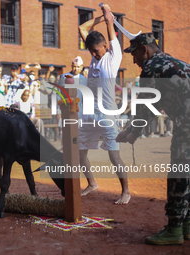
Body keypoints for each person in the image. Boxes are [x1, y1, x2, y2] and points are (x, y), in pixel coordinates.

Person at [116, 33, 190, 245]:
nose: (134, 60)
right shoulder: (178, 63)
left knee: (179, 173)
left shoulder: (151, 67)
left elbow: (146, 105)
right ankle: (187, 224)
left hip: (187, 124)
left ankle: (175, 228)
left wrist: (131, 134)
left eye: (135, 54)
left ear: (145, 50)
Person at [78, 4, 130, 204]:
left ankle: (125, 191)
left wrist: (107, 12)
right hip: (89, 115)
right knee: (81, 153)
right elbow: (82, 29)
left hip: (107, 115)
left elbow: (110, 22)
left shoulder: (113, 56)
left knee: (113, 156)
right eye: (91, 51)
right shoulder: (94, 57)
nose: (94, 54)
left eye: (96, 50)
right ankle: (92, 183)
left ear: (105, 46)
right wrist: (100, 16)